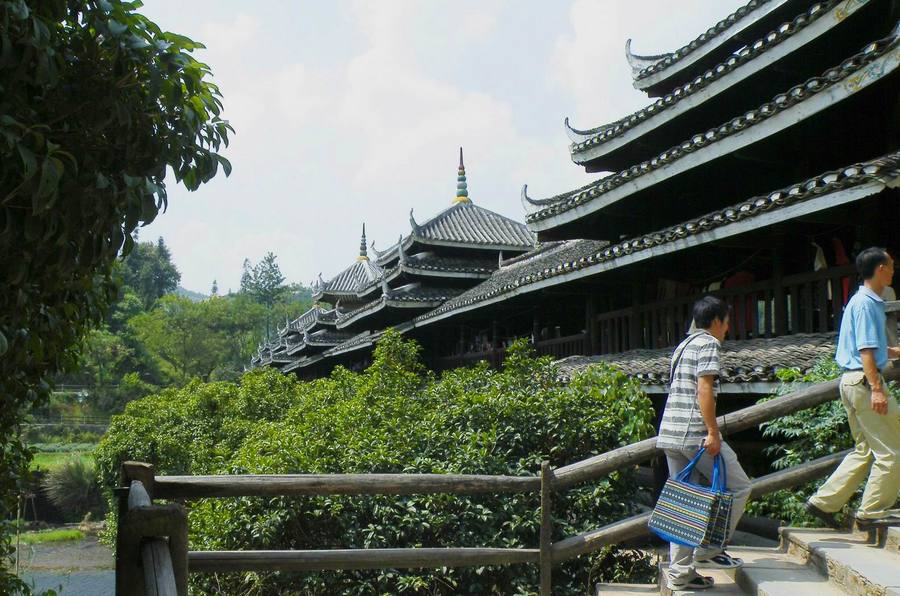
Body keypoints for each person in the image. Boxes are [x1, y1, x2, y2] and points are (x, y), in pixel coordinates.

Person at [657, 296, 752, 591]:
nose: (727, 329)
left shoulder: (682, 346)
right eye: (726, 322)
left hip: (670, 433)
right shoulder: (708, 343)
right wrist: (712, 431)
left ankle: (681, 574)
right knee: (740, 485)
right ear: (715, 321)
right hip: (694, 433)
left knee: (684, 502)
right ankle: (710, 549)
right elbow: (705, 388)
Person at [805, 248, 900, 529]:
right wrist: (878, 389)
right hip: (865, 383)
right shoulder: (868, 303)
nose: (894, 269)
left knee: (865, 450)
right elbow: (866, 351)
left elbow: (872, 349)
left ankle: (823, 502)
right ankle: (870, 512)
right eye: (891, 265)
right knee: (892, 451)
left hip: (850, 381)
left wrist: (895, 351)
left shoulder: (860, 301)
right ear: (881, 268)